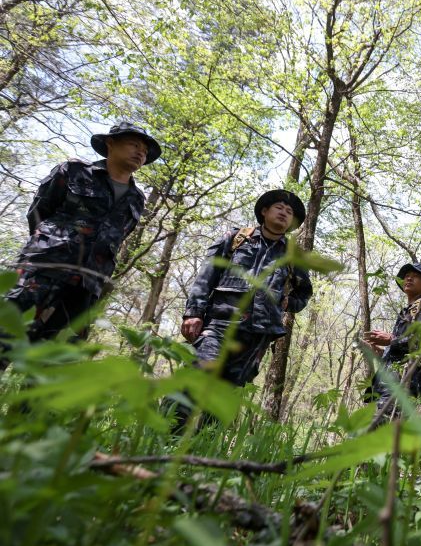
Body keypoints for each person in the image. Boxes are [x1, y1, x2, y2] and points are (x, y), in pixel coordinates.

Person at [4, 122, 158, 344]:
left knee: (56, 365)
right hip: (42, 271)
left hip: (86, 288)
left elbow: (119, 236)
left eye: (144, 151)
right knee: (6, 338)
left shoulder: (137, 198)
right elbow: (39, 212)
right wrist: (51, 247)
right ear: (110, 143)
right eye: (134, 145)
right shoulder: (73, 170)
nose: (140, 153)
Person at [173, 189, 313, 426]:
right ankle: (166, 438)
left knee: (225, 394)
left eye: (289, 212)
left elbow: (304, 292)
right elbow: (208, 274)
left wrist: (288, 302)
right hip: (218, 324)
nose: (284, 213)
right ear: (264, 211)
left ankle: (198, 453)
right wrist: (194, 313)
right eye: (279, 207)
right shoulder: (236, 238)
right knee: (196, 377)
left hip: (258, 334)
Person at [363, 263, 421, 426]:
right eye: (406, 276)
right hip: (383, 387)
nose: (408, 278)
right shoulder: (407, 311)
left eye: (415, 275)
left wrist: (391, 340)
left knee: (374, 437)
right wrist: (381, 352)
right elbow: (402, 352)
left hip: (401, 387)